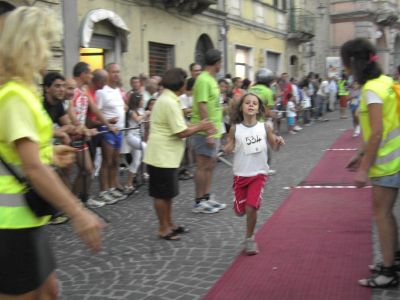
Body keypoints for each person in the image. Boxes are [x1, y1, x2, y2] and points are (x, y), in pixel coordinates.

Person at [0, 6, 103, 299]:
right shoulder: (15, 96)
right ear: (29, 45)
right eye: (46, 42)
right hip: (11, 222)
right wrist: (77, 212)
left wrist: (50, 153)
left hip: (25, 218)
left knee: (49, 292)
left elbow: (21, 154)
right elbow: (31, 167)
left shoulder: (20, 92)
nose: (49, 51)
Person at [341, 38, 400, 288]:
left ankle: (388, 271)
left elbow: (376, 132)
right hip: (395, 158)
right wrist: (360, 153)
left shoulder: (371, 90)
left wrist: (364, 168)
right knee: (387, 214)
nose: (344, 69)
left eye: (345, 64)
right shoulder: (386, 82)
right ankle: (393, 260)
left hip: (386, 163)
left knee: (382, 214)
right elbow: (384, 126)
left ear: (353, 63)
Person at [143, 68, 215, 240]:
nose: (186, 84)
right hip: (161, 156)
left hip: (166, 155)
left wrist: (197, 124)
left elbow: (179, 125)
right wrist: (201, 126)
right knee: (162, 194)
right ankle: (163, 228)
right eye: (184, 81)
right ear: (179, 83)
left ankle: (169, 224)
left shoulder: (170, 99)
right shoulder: (168, 101)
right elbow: (180, 132)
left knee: (168, 193)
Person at [223, 93, 284, 254]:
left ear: (258, 108)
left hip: (259, 173)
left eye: (254, 103)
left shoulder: (265, 127)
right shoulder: (235, 129)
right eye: (247, 103)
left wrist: (278, 142)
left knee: (252, 207)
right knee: (240, 210)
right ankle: (239, 207)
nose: (251, 105)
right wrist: (227, 148)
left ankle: (249, 239)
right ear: (241, 107)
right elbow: (229, 146)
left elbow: (274, 146)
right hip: (240, 175)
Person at [191, 49, 226, 213]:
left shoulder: (211, 79)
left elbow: (213, 104)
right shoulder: (203, 79)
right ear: (216, 63)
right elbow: (202, 106)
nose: (221, 65)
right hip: (204, 131)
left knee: (210, 165)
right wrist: (209, 131)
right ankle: (199, 201)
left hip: (215, 129)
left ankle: (206, 196)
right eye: (221, 62)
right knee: (202, 166)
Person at [96, 63, 127, 203]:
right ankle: (104, 190)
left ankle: (112, 187)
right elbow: (96, 114)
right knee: (107, 161)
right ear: (107, 73)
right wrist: (108, 121)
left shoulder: (118, 90)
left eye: (118, 72)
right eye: (113, 72)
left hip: (119, 130)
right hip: (107, 130)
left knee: (115, 161)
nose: (116, 74)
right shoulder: (102, 91)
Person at [124, 91, 149, 192]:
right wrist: (146, 114)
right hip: (131, 136)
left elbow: (144, 124)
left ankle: (128, 184)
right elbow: (138, 120)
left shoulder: (140, 110)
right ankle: (146, 172)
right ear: (137, 101)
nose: (143, 101)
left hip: (138, 137)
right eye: (142, 100)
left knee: (136, 160)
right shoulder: (131, 111)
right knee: (146, 147)